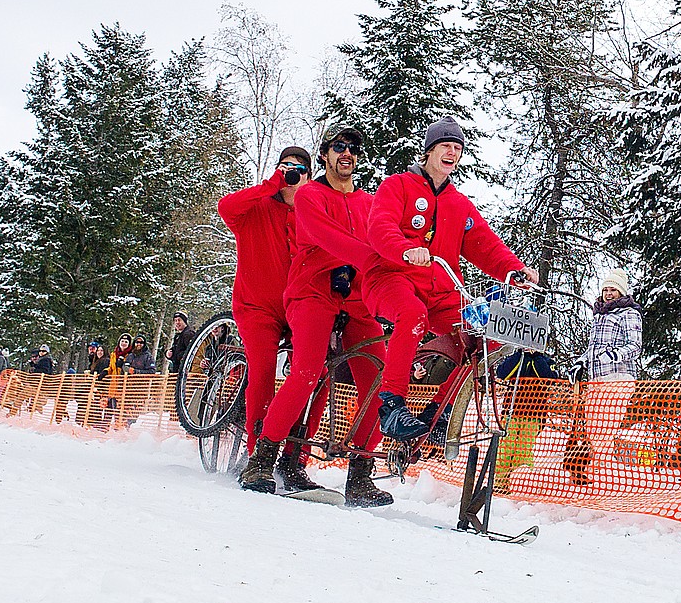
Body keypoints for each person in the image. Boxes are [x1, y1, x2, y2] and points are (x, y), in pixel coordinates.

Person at [237, 131, 391, 506]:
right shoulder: (309, 195)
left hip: (356, 299)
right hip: (313, 293)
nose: (348, 154)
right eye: (339, 147)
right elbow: (324, 237)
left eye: (354, 149)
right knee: (306, 370)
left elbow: (388, 242)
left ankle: (360, 473)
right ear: (325, 155)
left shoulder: (369, 204)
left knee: (382, 382)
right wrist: (369, 256)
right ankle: (263, 457)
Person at [363, 116, 538, 442]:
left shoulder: (458, 204)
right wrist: (404, 249)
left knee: (484, 333)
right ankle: (391, 405)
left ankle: (439, 413)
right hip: (391, 278)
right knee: (411, 313)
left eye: (457, 148)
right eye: (446, 145)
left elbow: (486, 246)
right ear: (429, 150)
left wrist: (514, 270)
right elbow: (379, 226)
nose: (452, 153)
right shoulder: (397, 186)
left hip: (440, 291)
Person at [217, 144, 319, 493]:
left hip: (297, 307)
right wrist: (271, 184)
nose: (292, 175)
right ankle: (255, 458)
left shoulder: (311, 215)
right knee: (261, 370)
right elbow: (225, 207)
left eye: (299, 171)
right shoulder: (255, 207)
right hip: (256, 306)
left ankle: (295, 457)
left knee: (315, 372)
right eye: (285, 168)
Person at [571, 268, 643, 483]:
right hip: (596, 379)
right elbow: (594, 348)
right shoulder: (600, 315)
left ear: (621, 292)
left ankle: (602, 477)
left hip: (617, 378)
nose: (608, 293)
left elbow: (635, 346)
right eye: (605, 289)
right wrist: (581, 362)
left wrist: (613, 355)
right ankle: (594, 474)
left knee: (605, 428)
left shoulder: (629, 313)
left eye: (613, 289)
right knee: (593, 430)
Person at [492, 349, 561, 492]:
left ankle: (520, 482)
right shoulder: (516, 358)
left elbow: (549, 377)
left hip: (534, 415)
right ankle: (500, 482)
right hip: (511, 412)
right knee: (505, 447)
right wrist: (519, 354)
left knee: (524, 450)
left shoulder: (547, 361)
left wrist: (536, 356)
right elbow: (502, 373)